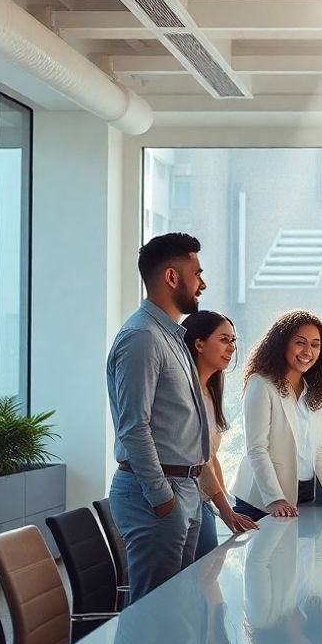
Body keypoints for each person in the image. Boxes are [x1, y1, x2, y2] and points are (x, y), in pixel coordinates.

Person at [106, 232, 211, 604]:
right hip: (157, 491)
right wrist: (162, 497)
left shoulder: (171, 336)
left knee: (177, 613)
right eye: (196, 273)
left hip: (183, 487)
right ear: (171, 277)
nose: (203, 282)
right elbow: (134, 427)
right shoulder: (143, 338)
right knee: (153, 614)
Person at [230, 311, 322, 521]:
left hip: (299, 496)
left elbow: (319, 448)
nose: (307, 351)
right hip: (259, 499)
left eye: (315, 344)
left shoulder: (313, 391)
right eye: (300, 342)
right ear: (282, 343)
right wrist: (275, 499)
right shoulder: (261, 384)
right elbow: (256, 448)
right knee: (264, 555)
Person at [181, 310, 258, 560]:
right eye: (224, 339)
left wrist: (225, 504)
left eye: (233, 341)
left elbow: (211, 457)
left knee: (209, 579)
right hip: (183, 500)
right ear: (199, 343)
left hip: (201, 502)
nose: (232, 348)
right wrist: (225, 510)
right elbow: (199, 459)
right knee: (202, 580)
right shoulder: (183, 393)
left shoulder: (209, 393)